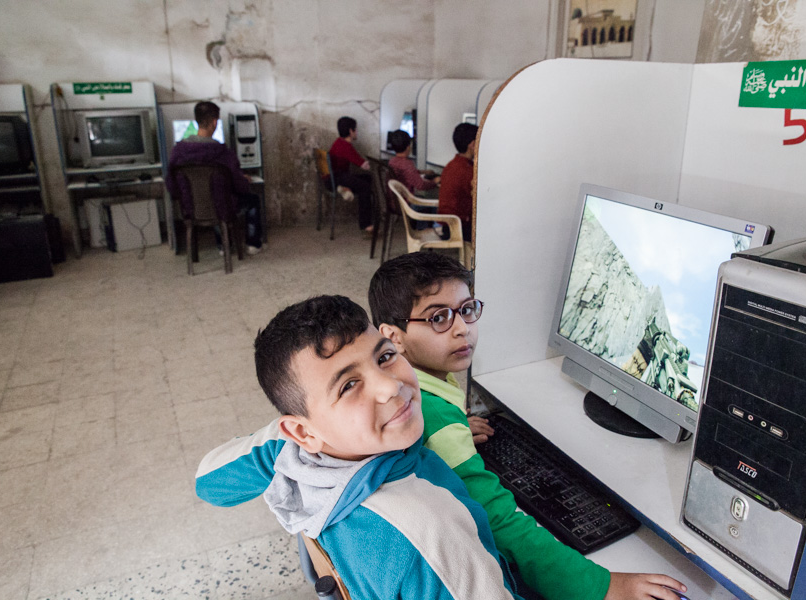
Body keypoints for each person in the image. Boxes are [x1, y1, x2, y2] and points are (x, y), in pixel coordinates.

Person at [367, 251, 690, 600]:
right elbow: (497, 523)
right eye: (439, 318)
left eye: (467, 309)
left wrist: (455, 429)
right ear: (393, 336)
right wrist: (603, 585)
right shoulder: (439, 420)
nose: (462, 328)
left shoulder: (413, 399)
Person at [195, 295, 527, 599]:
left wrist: (306, 434)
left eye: (384, 357)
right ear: (300, 432)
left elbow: (207, 482)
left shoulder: (305, 457)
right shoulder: (433, 532)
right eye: (349, 385)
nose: (391, 386)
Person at [165, 101, 263, 254]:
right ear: (214, 122)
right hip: (221, 208)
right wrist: (244, 179)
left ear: (196, 120)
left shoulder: (178, 152)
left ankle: (223, 246)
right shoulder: (223, 153)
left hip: (192, 209)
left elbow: (171, 185)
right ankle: (253, 245)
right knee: (250, 200)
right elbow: (240, 187)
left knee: (213, 197)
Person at [328, 116, 374, 233]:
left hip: (333, 178)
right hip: (337, 178)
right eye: (355, 129)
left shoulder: (339, 142)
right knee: (365, 187)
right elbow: (364, 165)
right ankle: (366, 224)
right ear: (350, 131)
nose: (357, 132)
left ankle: (344, 188)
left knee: (367, 178)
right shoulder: (346, 146)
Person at [438, 122, 478, 242]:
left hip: (449, 225)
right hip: (458, 227)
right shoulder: (466, 170)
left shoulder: (452, 165)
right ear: (472, 144)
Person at [387, 129, 439, 194]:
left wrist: (423, 172)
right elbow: (421, 185)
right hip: (406, 201)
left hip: (395, 201)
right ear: (408, 147)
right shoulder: (407, 164)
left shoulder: (392, 161)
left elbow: (406, 173)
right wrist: (434, 181)